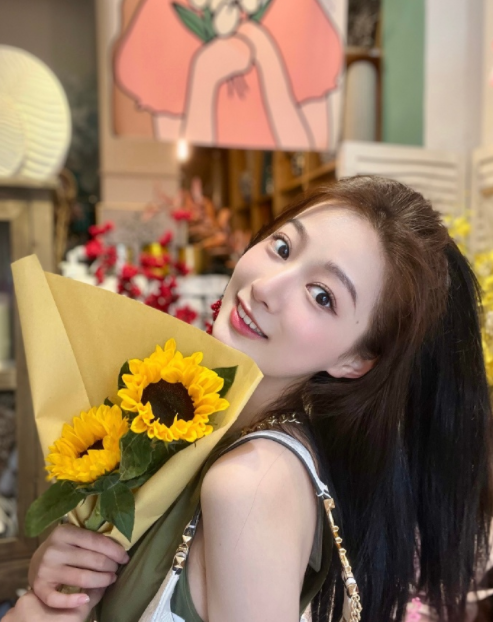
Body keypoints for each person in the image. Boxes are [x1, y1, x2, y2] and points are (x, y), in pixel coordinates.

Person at [5, 176, 493, 622]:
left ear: (355, 361)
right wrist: (67, 583)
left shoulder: (250, 483)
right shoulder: (205, 427)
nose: (265, 288)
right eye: (282, 247)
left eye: (322, 296)